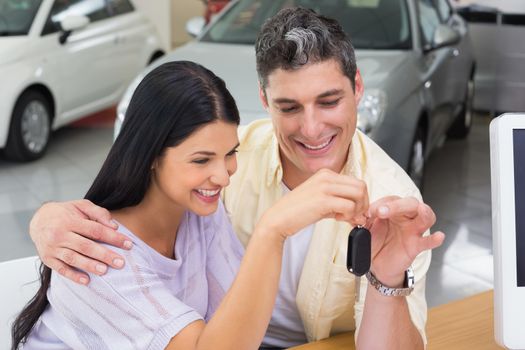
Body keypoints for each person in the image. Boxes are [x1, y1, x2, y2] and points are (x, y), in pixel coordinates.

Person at [27, 8, 445, 349]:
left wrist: (385, 278)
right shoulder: (223, 174)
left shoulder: (391, 200)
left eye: (329, 101)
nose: (313, 128)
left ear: (357, 88)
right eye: (290, 107)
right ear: (264, 102)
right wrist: (44, 216)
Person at [12, 61, 373, 349]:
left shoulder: (199, 214)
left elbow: (237, 325)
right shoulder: (101, 257)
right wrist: (272, 230)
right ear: (151, 155)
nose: (222, 175)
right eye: (201, 160)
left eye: (230, 154)